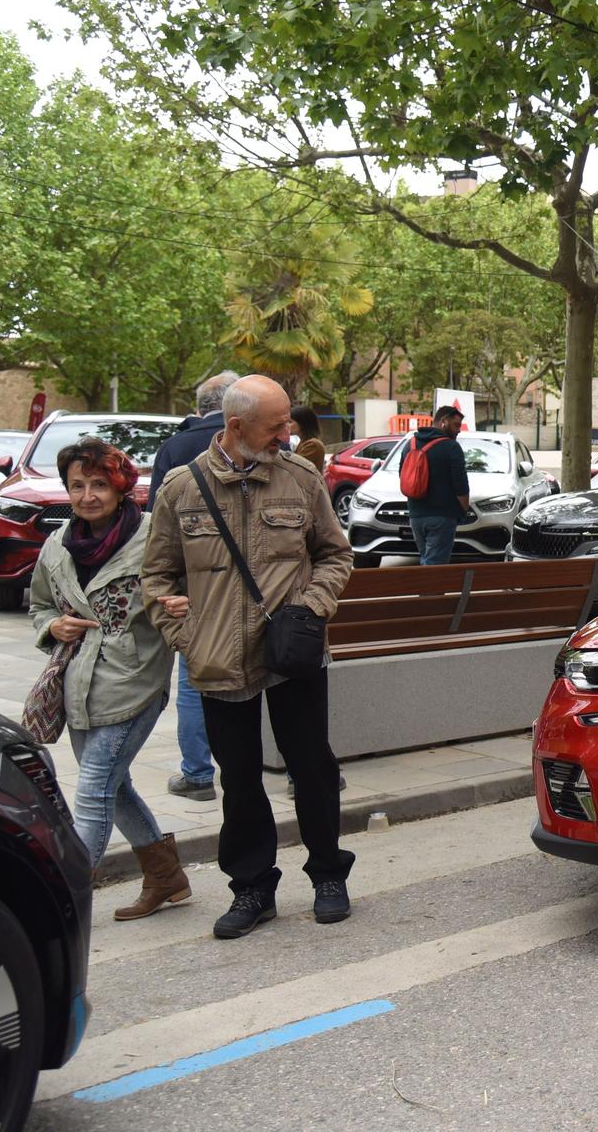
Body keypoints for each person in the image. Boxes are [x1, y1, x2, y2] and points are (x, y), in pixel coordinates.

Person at [143, 374, 356, 939]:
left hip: (292, 652)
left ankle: (328, 875)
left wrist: (311, 609)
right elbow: (156, 575)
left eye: (287, 421)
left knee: (312, 768)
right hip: (217, 659)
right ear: (236, 427)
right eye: (276, 425)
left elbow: (336, 554)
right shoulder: (180, 490)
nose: (288, 433)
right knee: (238, 781)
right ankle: (252, 889)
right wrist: (183, 635)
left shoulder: (301, 478)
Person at [29, 437, 190, 920]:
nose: (87, 495)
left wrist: (184, 604)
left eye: (99, 484)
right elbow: (38, 604)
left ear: (121, 488)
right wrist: (51, 626)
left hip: (136, 679)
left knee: (95, 788)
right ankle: (167, 878)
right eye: (77, 485)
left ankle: (62, 900)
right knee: (113, 788)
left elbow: (190, 588)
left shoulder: (151, 537)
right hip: (77, 684)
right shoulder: (58, 543)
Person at [146, 370, 239, 803]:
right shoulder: (258, 441)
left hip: (193, 589)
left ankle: (198, 775)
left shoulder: (174, 448)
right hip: (260, 587)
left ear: (199, 407)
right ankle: (291, 772)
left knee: (193, 679)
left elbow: (156, 529)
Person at [405, 405, 471, 566]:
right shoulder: (451, 447)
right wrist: (464, 509)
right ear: (443, 422)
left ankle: (427, 590)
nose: (459, 430)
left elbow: (404, 476)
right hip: (442, 517)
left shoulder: (411, 444)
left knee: (427, 560)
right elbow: (461, 485)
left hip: (415, 515)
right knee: (435, 567)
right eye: (456, 425)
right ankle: (430, 592)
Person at [289, 404, 327, 473]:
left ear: (302, 423)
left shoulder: (313, 445)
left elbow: (294, 466)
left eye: (290, 422)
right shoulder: (303, 442)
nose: (287, 425)